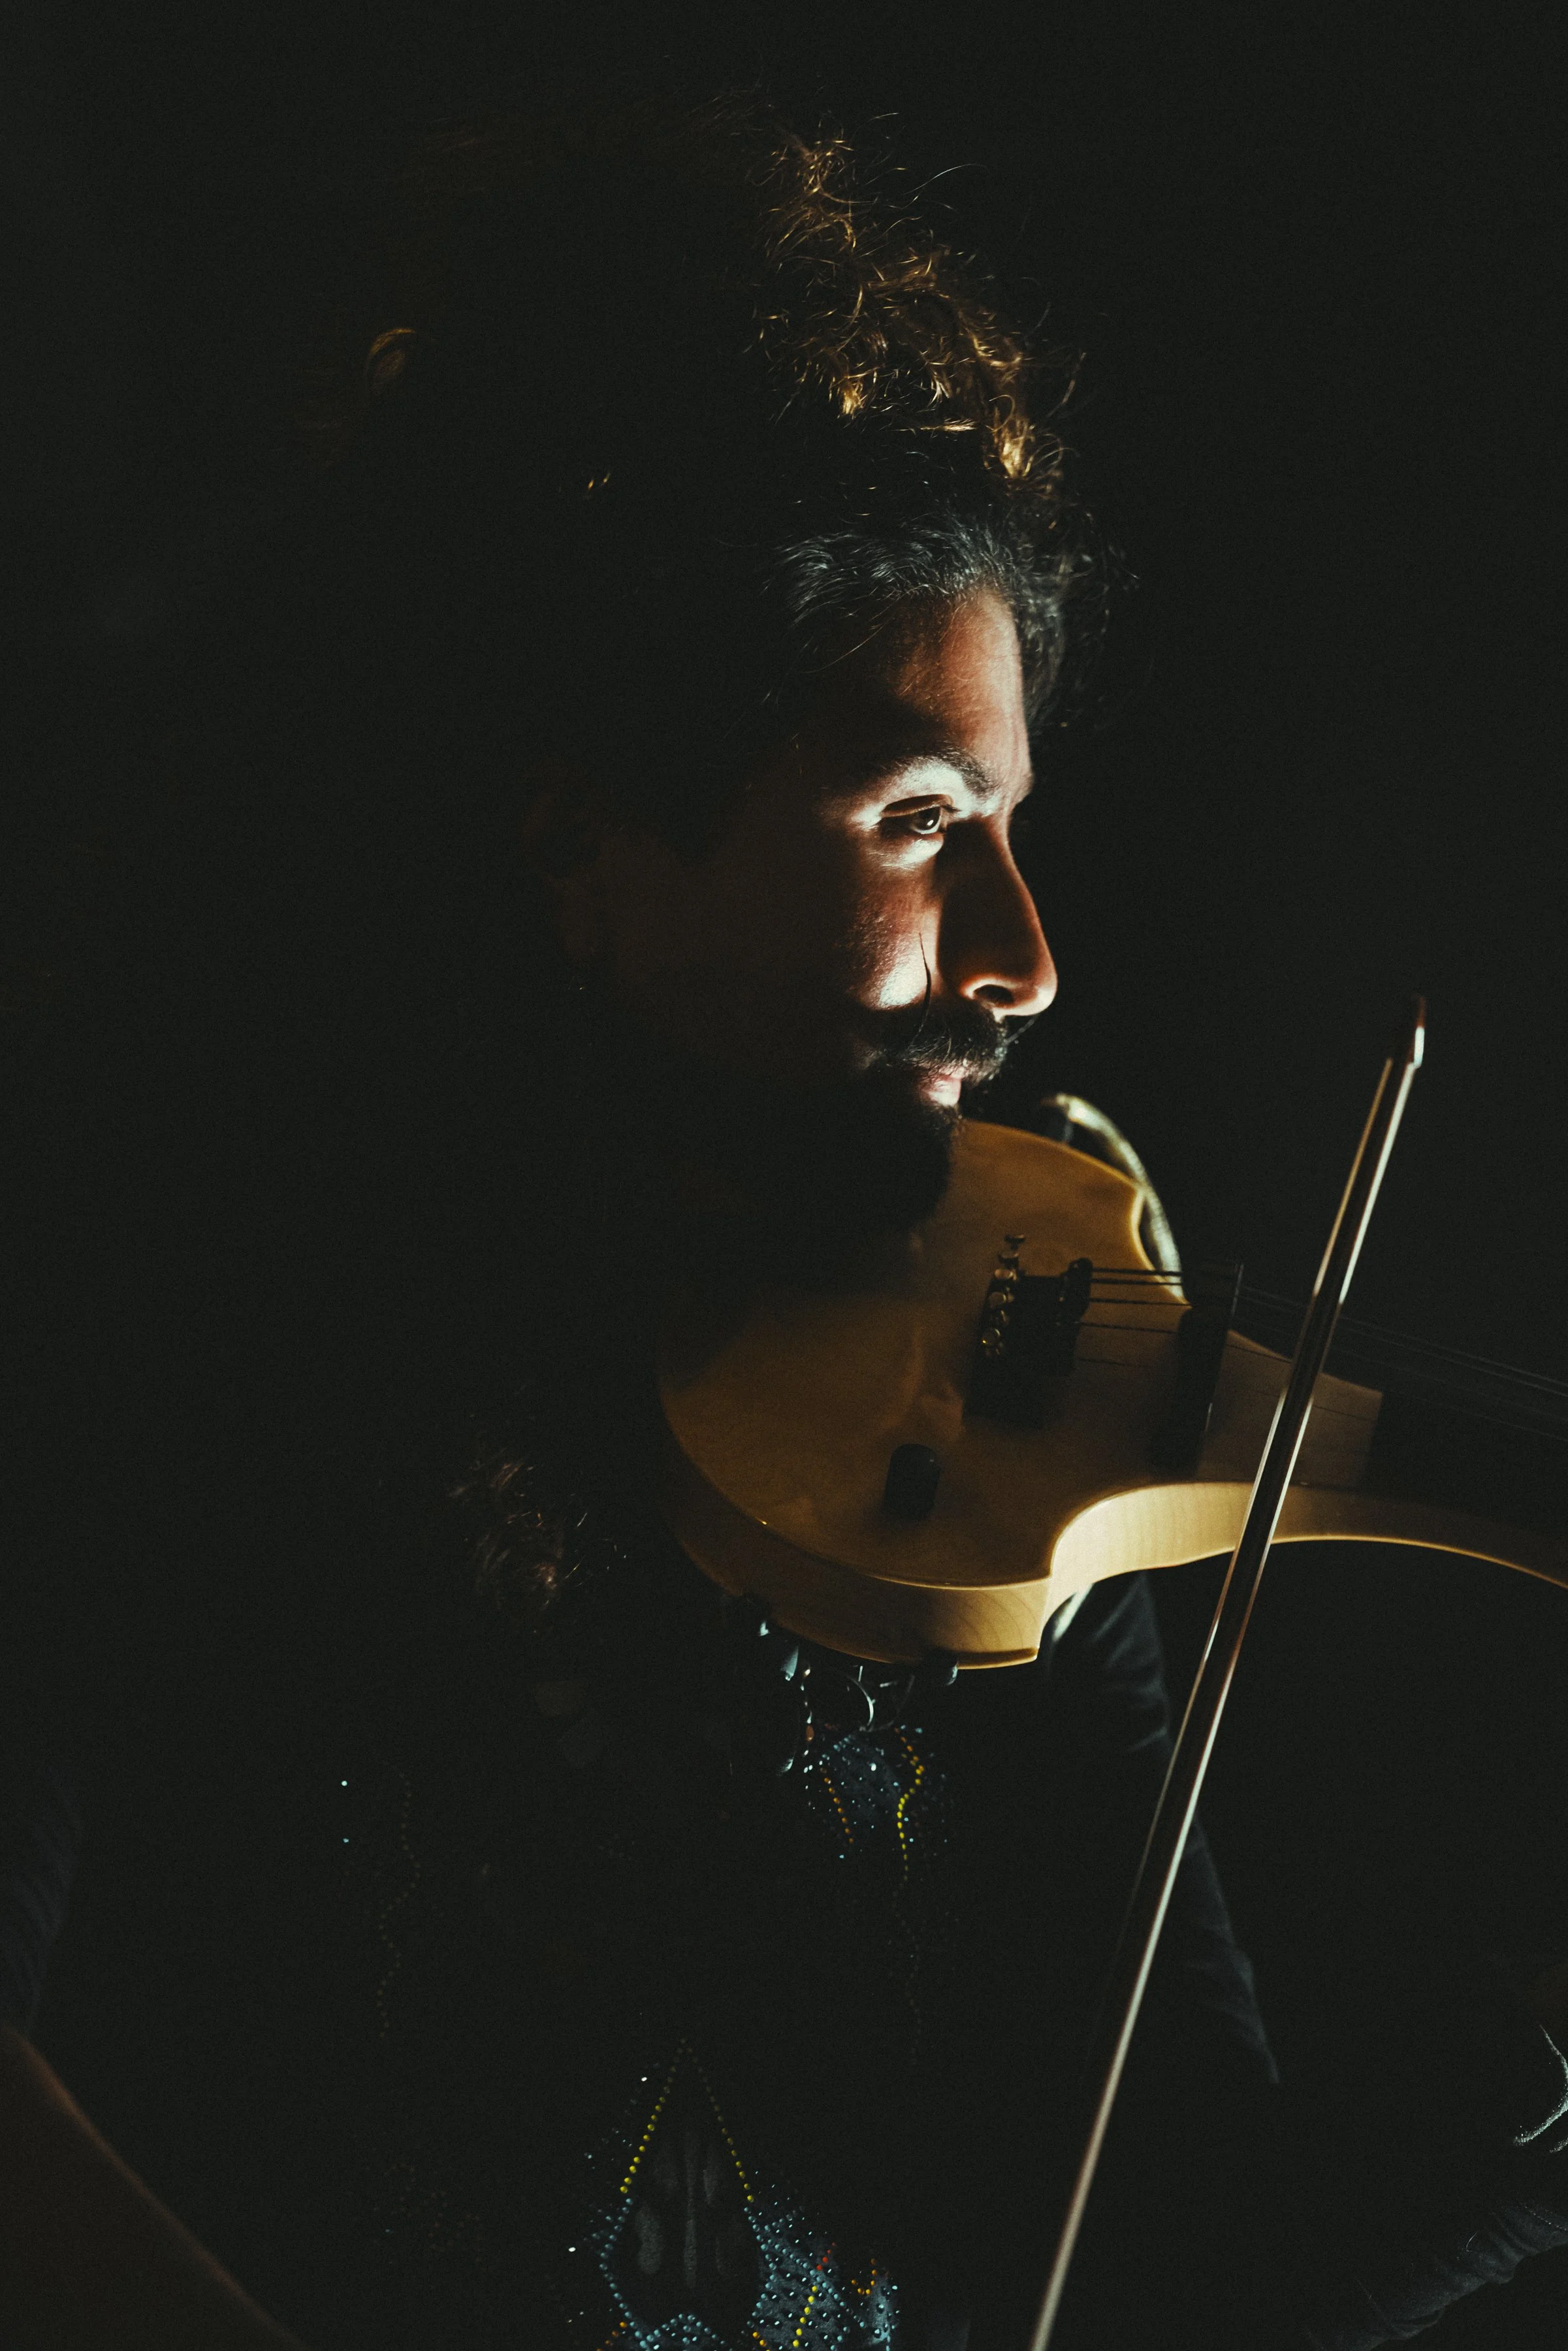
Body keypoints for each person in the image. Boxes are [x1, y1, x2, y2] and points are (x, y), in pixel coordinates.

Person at [4, 92, 1567, 2351]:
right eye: (920, 820)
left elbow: (1173, 2269)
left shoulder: (998, 1448)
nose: (1022, 955)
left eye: (1008, 824)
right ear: (589, 842)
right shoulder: (165, 1314)